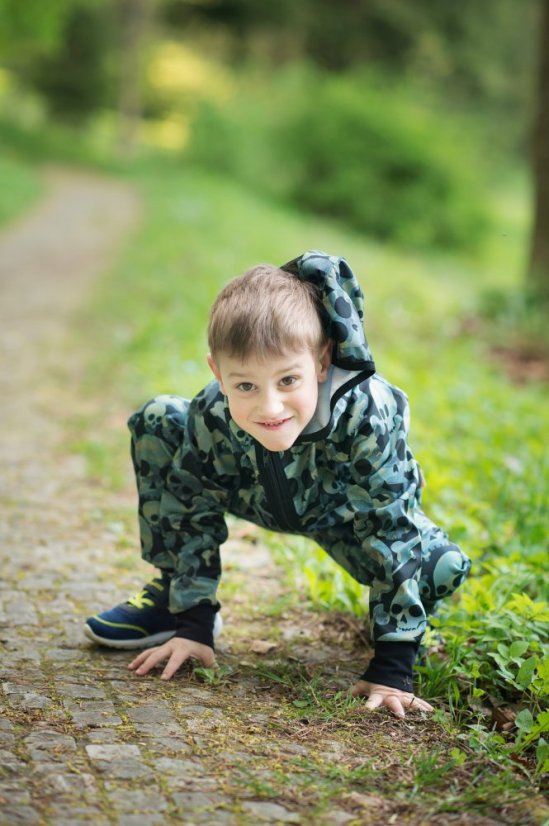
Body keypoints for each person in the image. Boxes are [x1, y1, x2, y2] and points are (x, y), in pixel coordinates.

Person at [85, 250, 471, 718]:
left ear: (323, 363)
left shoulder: (366, 414)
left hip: (341, 514)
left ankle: (400, 630)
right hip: (251, 493)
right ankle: (173, 603)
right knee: (160, 418)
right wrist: (195, 621)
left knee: (443, 565)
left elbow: (392, 529)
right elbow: (189, 505)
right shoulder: (212, 413)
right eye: (245, 385)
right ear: (217, 373)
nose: (269, 407)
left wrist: (393, 668)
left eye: (289, 379)